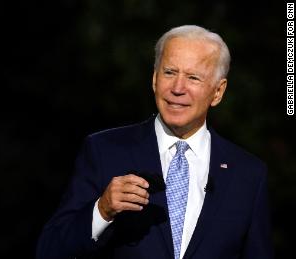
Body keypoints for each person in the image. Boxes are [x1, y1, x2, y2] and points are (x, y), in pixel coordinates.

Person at [36, 25, 273, 259]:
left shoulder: (248, 175)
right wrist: (102, 210)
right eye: (169, 72)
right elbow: (50, 250)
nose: (178, 88)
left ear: (218, 92)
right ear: (154, 79)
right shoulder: (104, 151)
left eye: (193, 77)